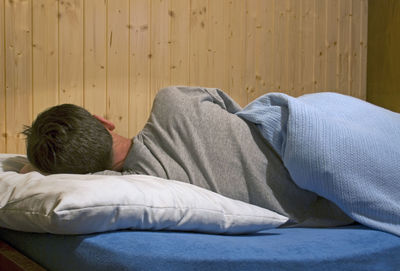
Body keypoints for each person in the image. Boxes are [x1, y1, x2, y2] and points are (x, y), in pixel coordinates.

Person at [22, 86, 353, 227]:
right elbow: (239, 114)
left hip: (333, 201)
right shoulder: (173, 102)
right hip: (339, 147)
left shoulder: (140, 189)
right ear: (104, 122)